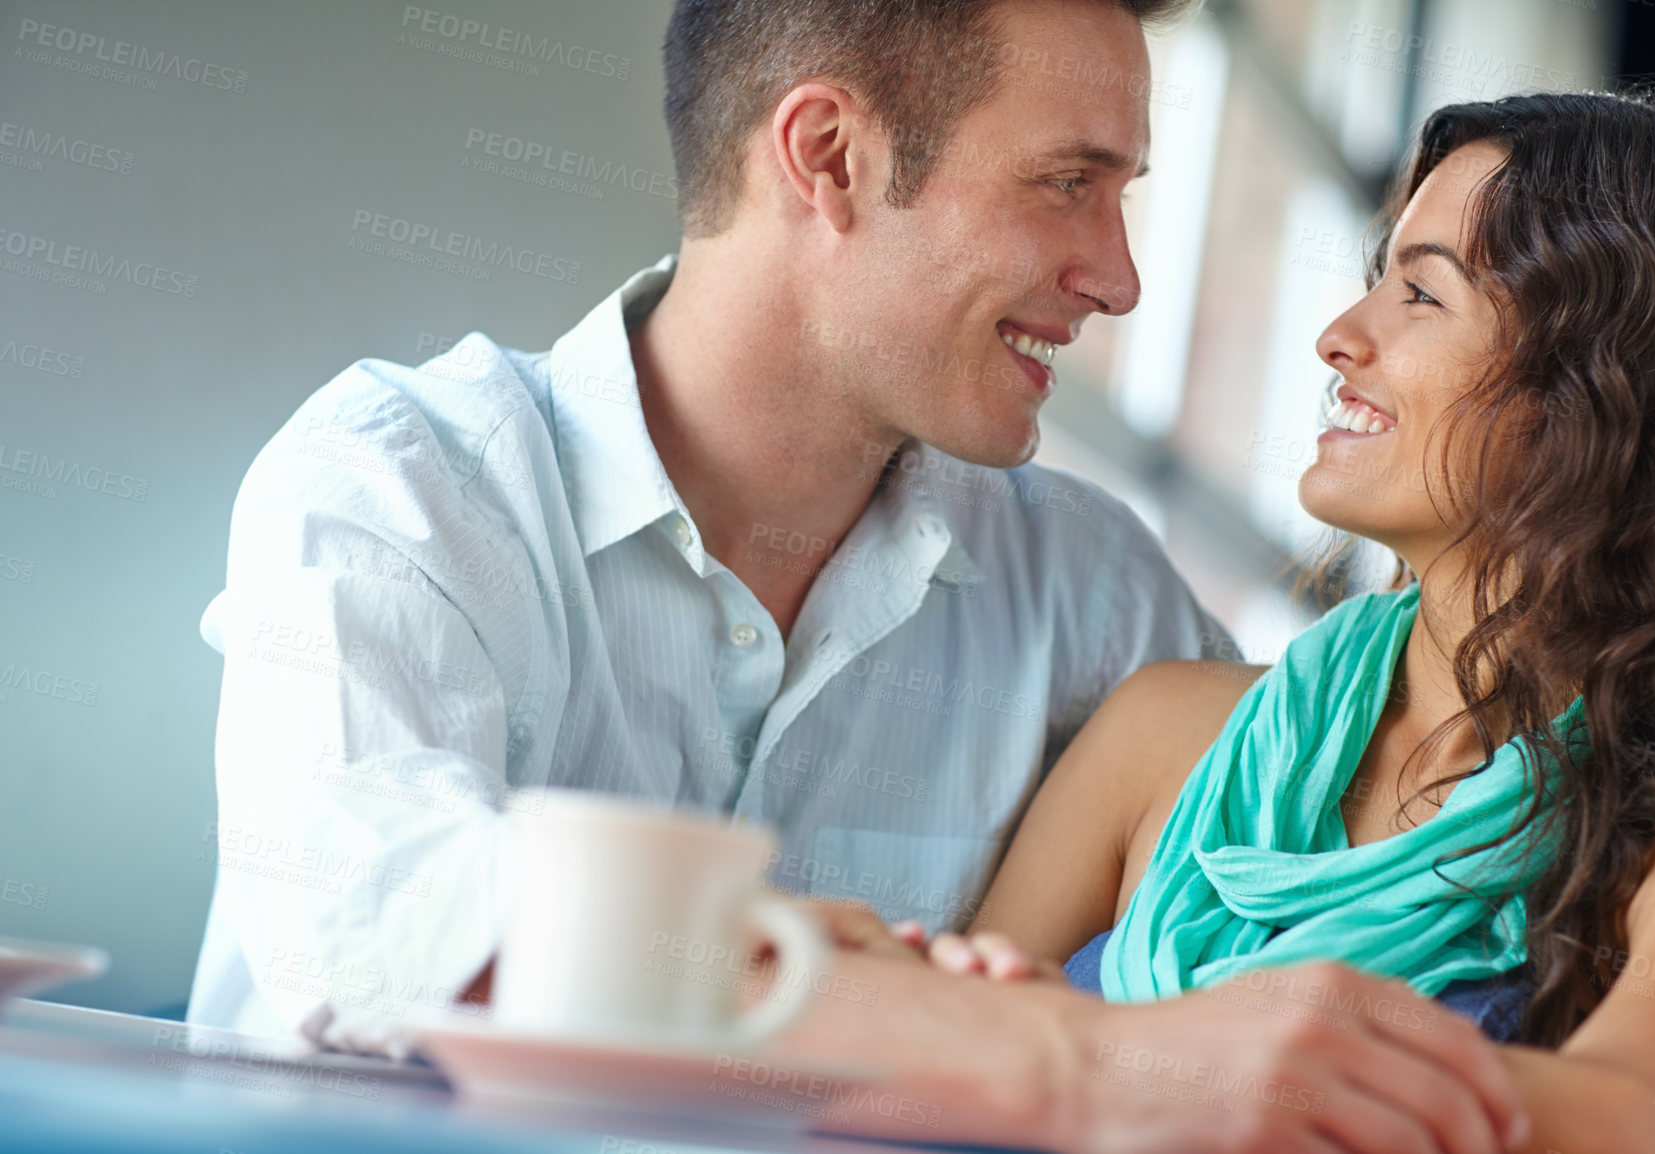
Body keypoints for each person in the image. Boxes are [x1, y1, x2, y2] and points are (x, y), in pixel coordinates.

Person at [188, 0, 1237, 1053]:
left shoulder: (1102, 594)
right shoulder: (403, 481)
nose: (1119, 279)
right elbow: (376, 924)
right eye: (1067, 184)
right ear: (829, 157)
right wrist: (976, 1038)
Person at [871, 90, 1655, 1153]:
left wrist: (1106, 1052)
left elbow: (1629, 1118)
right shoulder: (1163, 730)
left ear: (1610, 385)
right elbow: (918, 1091)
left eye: (1420, 293)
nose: (1338, 337)